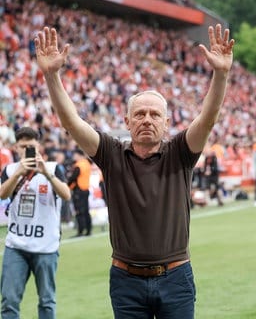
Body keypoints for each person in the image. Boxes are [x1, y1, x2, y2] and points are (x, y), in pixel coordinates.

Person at [34, 24, 234, 318]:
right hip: (126, 280)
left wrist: (221, 74)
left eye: (155, 115)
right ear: (127, 121)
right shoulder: (112, 153)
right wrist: (52, 75)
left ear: (166, 123)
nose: (147, 119)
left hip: (175, 277)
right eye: (139, 114)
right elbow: (72, 123)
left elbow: (208, 118)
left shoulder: (179, 152)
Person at [0, 127, 71, 319]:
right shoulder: (9, 170)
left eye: (30, 146)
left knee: (47, 302)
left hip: (46, 246)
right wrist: (18, 174)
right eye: (23, 147)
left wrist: (46, 173)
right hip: (16, 245)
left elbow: (66, 194)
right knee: (9, 302)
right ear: (16, 147)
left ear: (38, 146)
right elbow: (2, 194)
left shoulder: (54, 168)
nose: (26, 150)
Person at [68, 148, 92, 236]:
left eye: (75, 155)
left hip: (78, 191)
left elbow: (73, 178)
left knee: (79, 211)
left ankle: (81, 230)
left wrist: (67, 185)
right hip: (85, 189)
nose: (74, 157)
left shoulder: (79, 165)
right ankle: (89, 230)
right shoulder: (87, 163)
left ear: (79, 155)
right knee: (86, 211)